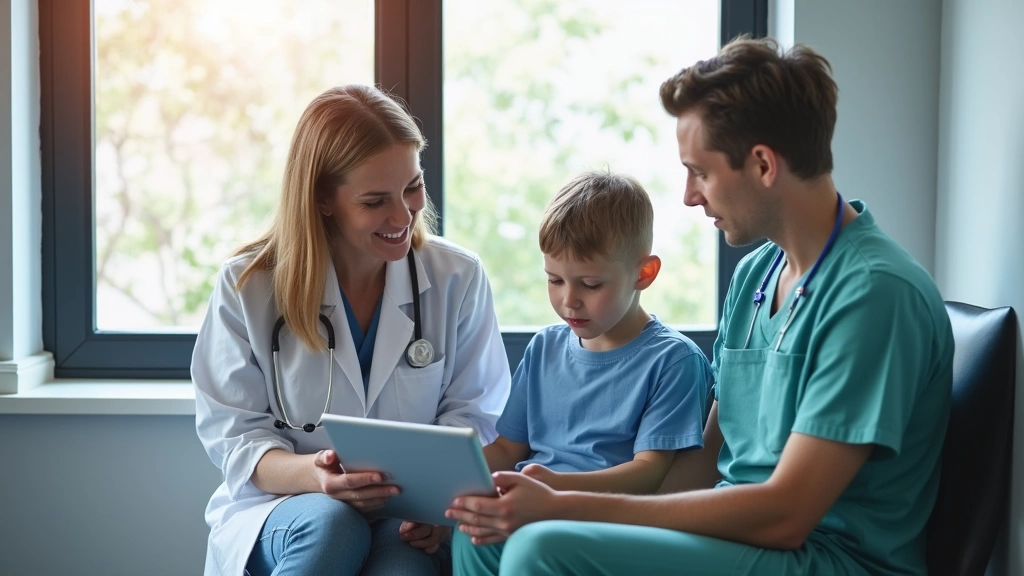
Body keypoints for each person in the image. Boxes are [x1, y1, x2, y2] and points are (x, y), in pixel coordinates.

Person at [446, 37, 954, 576]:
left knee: (540, 547)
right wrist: (529, 506)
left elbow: (786, 515)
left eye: (701, 172)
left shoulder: (873, 295)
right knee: (489, 537)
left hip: (828, 557)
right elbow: (701, 467)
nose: (690, 195)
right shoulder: (757, 274)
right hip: (732, 535)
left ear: (762, 164)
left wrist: (564, 506)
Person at [192, 85, 511, 576]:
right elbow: (237, 441)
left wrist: (441, 508)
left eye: (412, 187)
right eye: (375, 200)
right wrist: (318, 477)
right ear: (322, 198)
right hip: (284, 507)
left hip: (405, 516)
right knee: (333, 525)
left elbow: (475, 416)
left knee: (406, 569)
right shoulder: (249, 287)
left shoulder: (457, 279)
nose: (404, 215)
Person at [451, 171, 714, 574]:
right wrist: (445, 486)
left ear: (644, 274)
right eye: (554, 280)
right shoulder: (545, 348)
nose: (568, 300)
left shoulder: (673, 360)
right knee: (473, 531)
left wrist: (552, 489)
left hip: (606, 521)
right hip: (531, 506)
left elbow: (649, 474)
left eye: (591, 284)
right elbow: (506, 450)